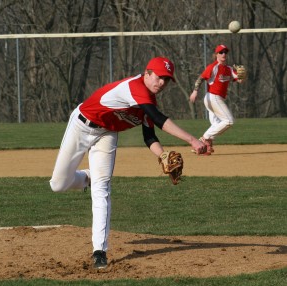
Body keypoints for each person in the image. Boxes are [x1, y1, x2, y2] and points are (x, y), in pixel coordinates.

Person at [49, 56, 207, 269]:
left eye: (166, 80)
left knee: (102, 188)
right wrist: (192, 140)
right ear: (147, 73)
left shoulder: (148, 101)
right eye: (159, 77)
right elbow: (159, 119)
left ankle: (99, 251)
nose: (162, 83)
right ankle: (87, 176)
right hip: (82, 125)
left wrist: (161, 155)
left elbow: (149, 135)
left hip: (107, 133)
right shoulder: (136, 87)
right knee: (58, 185)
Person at [189, 44, 245, 155]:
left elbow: (239, 80)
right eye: (221, 52)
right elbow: (201, 78)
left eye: (225, 52)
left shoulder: (229, 69)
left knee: (216, 123)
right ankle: (205, 138)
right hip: (213, 97)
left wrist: (242, 76)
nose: (223, 54)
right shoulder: (213, 67)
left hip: (217, 99)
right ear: (216, 55)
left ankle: (205, 147)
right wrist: (195, 91)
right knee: (229, 121)